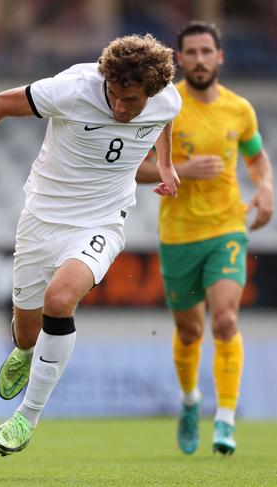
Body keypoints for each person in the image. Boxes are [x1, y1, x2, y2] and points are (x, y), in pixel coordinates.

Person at [0, 33, 181, 455]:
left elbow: (164, 119)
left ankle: (26, 418)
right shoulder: (71, 89)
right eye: (117, 96)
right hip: (41, 218)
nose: (124, 108)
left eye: (135, 100)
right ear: (105, 80)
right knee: (26, 330)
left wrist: (163, 162)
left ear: (153, 91)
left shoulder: (167, 99)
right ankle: (23, 348)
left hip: (102, 221)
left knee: (60, 300)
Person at [136, 21, 273, 455]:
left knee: (226, 321)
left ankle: (226, 419)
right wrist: (180, 169)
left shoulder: (240, 110)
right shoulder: (163, 107)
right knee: (191, 332)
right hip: (178, 235)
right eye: (190, 53)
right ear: (179, 59)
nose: (198, 60)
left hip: (226, 228)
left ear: (219, 57)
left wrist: (266, 188)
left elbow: (255, 159)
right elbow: (135, 169)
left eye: (205, 52)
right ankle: (192, 401)